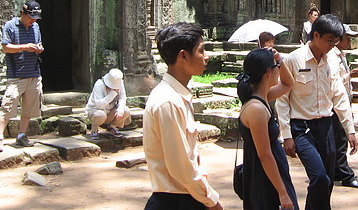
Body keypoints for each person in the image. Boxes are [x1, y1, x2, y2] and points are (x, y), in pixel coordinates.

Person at [277, 13, 357, 210]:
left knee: (327, 181)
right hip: (302, 128)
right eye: (330, 40)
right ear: (316, 35)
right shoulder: (294, 60)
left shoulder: (332, 60)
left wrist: (350, 130)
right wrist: (286, 136)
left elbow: (339, 96)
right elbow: (282, 100)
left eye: (336, 41)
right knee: (319, 177)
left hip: (327, 125)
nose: (333, 45)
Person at [142, 22, 222, 210]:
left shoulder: (179, 96)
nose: (206, 57)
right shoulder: (168, 101)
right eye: (201, 51)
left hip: (186, 196)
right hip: (176, 200)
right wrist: (211, 200)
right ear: (183, 56)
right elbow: (181, 166)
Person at [237, 47, 298, 210]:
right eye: (275, 66)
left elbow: (288, 83)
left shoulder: (263, 96)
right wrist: (282, 192)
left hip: (273, 171)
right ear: (268, 73)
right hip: (264, 176)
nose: (278, 69)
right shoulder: (256, 108)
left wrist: (279, 60)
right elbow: (264, 154)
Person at [0, 0, 44, 152]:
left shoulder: (35, 26)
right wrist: (25, 47)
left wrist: (38, 48)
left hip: (34, 74)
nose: (33, 21)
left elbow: (39, 43)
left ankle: (22, 135)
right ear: (23, 13)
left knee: (29, 108)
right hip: (16, 75)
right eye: (31, 17)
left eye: (35, 18)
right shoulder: (10, 26)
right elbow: (5, 48)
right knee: (8, 105)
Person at [328, 26, 358, 189]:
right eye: (347, 38)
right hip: (336, 101)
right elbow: (334, 81)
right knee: (341, 138)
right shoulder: (331, 55)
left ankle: (337, 170)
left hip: (343, 98)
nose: (350, 40)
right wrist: (349, 75)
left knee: (338, 138)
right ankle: (346, 174)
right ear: (338, 38)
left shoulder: (340, 54)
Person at [86, 68, 130, 139]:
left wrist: (120, 109)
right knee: (100, 114)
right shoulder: (99, 84)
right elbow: (99, 105)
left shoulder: (120, 83)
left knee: (126, 110)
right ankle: (94, 129)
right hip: (96, 111)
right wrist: (112, 94)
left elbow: (122, 98)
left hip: (110, 111)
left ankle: (111, 127)